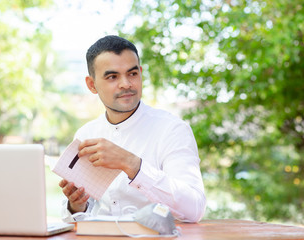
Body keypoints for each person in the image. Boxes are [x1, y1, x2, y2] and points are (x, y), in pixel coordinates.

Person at [59, 35, 206, 223]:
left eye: (132, 73)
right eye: (112, 77)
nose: (126, 84)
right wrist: (77, 205)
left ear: (141, 73)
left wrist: (131, 164)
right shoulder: (86, 135)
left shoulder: (173, 130)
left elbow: (194, 209)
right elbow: (83, 217)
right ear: (91, 85)